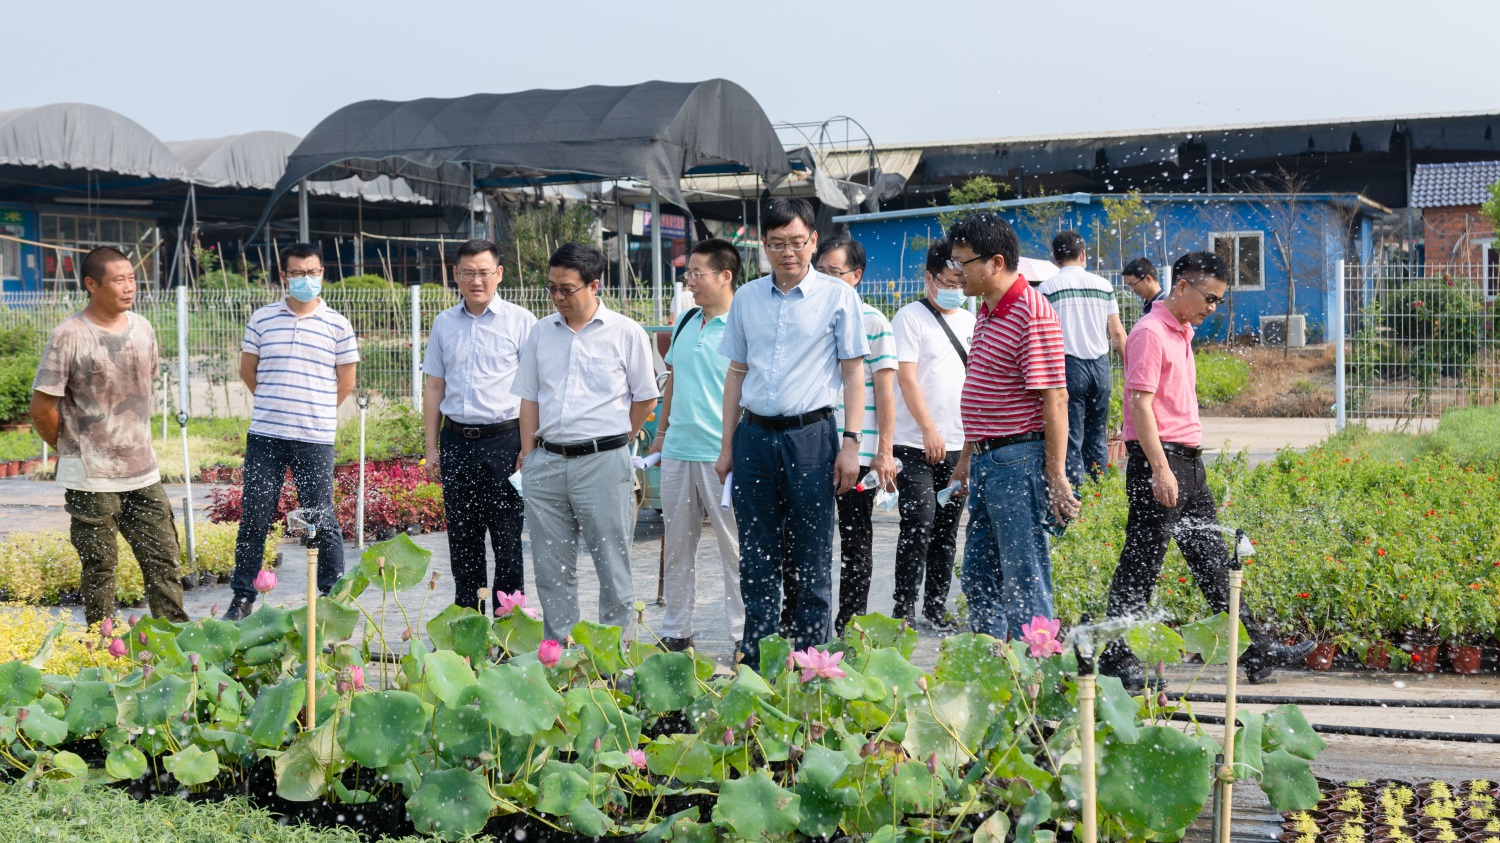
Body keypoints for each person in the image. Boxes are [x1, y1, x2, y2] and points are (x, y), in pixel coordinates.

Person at [1099, 252, 1313, 692]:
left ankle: (1257, 649)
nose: (1213, 308)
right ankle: (1114, 657)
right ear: (1182, 287)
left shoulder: (1181, 332)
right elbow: (1139, 405)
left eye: (1218, 300)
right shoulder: (1150, 333)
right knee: (1141, 560)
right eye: (1210, 298)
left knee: (1213, 562)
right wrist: (1160, 471)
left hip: (1188, 463)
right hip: (1159, 462)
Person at [716, 197, 868, 665]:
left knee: (812, 554)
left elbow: (853, 374)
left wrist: (850, 444)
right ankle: (759, 659)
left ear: (813, 241)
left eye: (797, 242)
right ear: (764, 245)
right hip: (755, 437)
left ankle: (812, 662)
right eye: (778, 243)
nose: (788, 252)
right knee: (758, 556)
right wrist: (727, 447)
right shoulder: (746, 298)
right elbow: (736, 375)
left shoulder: (838, 296)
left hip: (811, 438)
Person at [30, 246, 189, 627]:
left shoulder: (143, 328)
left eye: (132, 278)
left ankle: (177, 643)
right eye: (118, 280)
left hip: (142, 471)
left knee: (164, 558)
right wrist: (70, 448)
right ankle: (103, 646)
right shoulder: (68, 336)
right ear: (91, 284)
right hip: (90, 477)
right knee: (100, 565)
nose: (129, 286)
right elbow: (41, 410)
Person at [513, 243, 659, 642]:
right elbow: (528, 397)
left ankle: (612, 659)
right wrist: (528, 454)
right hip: (546, 462)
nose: (558, 297)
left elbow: (645, 397)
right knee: (551, 568)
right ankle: (559, 656)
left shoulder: (625, 333)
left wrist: (618, 440)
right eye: (552, 289)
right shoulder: (541, 332)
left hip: (603, 462)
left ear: (595, 286)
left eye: (567, 289)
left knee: (613, 566)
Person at [947, 213, 1078, 640]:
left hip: (1018, 461)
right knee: (978, 575)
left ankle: (1038, 681)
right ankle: (995, 670)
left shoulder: (1030, 311)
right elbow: (984, 392)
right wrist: (967, 459)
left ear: (995, 262)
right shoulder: (988, 310)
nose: (955, 272)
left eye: (963, 262)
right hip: (988, 460)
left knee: (1024, 579)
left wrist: (1056, 475)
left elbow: (1055, 398)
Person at [224, 243, 358, 621]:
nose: (305, 279)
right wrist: (276, 403)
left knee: (318, 516)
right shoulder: (262, 319)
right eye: (297, 273)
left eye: (311, 272)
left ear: (322, 273)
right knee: (255, 515)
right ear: (285, 276)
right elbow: (248, 371)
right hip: (266, 435)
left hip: (314, 437)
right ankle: (243, 596)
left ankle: (331, 599)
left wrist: (312, 410)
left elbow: (345, 381)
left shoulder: (338, 324)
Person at [422, 239, 536, 612]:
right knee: (463, 542)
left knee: (506, 541)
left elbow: (533, 391)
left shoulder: (521, 322)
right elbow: (434, 386)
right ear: (456, 275)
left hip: (505, 443)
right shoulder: (444, 323)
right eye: (468, 273)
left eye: (484, 272)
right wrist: (430, 448)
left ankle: (508, 634)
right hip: (457, 441)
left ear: (499, 274)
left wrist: (527, 447)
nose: (476, 281)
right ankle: (468, 629)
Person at [648, 238, 745, 652]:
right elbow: (673, 383)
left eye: (696, 273)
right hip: (678, 452)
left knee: (735, 551)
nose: (689, 281)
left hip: (723, 456)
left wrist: (735, 448)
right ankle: (676, 630)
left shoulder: (743, 322)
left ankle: (743, 637)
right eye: (688, 273)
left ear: (725, 276)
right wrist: (661, 434)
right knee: (677, 547)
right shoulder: (687, 321)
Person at [812, 235, 899, 635]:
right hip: (812, 447)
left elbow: (884, 394)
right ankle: (808, 625)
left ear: (856, 275)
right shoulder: (808, 318)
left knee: (855, 542)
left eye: (835, 272)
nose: (826, 280)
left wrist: (883, 452)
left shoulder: (873, 322)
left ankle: (850, 627)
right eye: (821, 271)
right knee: (807, 541)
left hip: (858, 453)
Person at [889, 241, 973, 631]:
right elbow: (905, 376)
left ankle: (935, 609)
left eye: (960, 280)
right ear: (928, 278)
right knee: (918, 522)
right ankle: (903, 608)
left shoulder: (971, 320)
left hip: (958, 444)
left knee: (946, 531)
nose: (955, 287)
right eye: (947, 280)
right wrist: (928, 429)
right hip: (914, 443)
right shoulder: (909, 318)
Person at [1038, 232, 1127, 489]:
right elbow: (1118, 333)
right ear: (1083, 255)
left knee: (1070, 436)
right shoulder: (1103, 286)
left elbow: (1042, 336)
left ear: (1054, 258)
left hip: (1068, 367)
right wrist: (1133, 368)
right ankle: (1100, 491)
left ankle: (1074, 495)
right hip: (1100, 367)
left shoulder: (1047, 288)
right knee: (1097, 436)